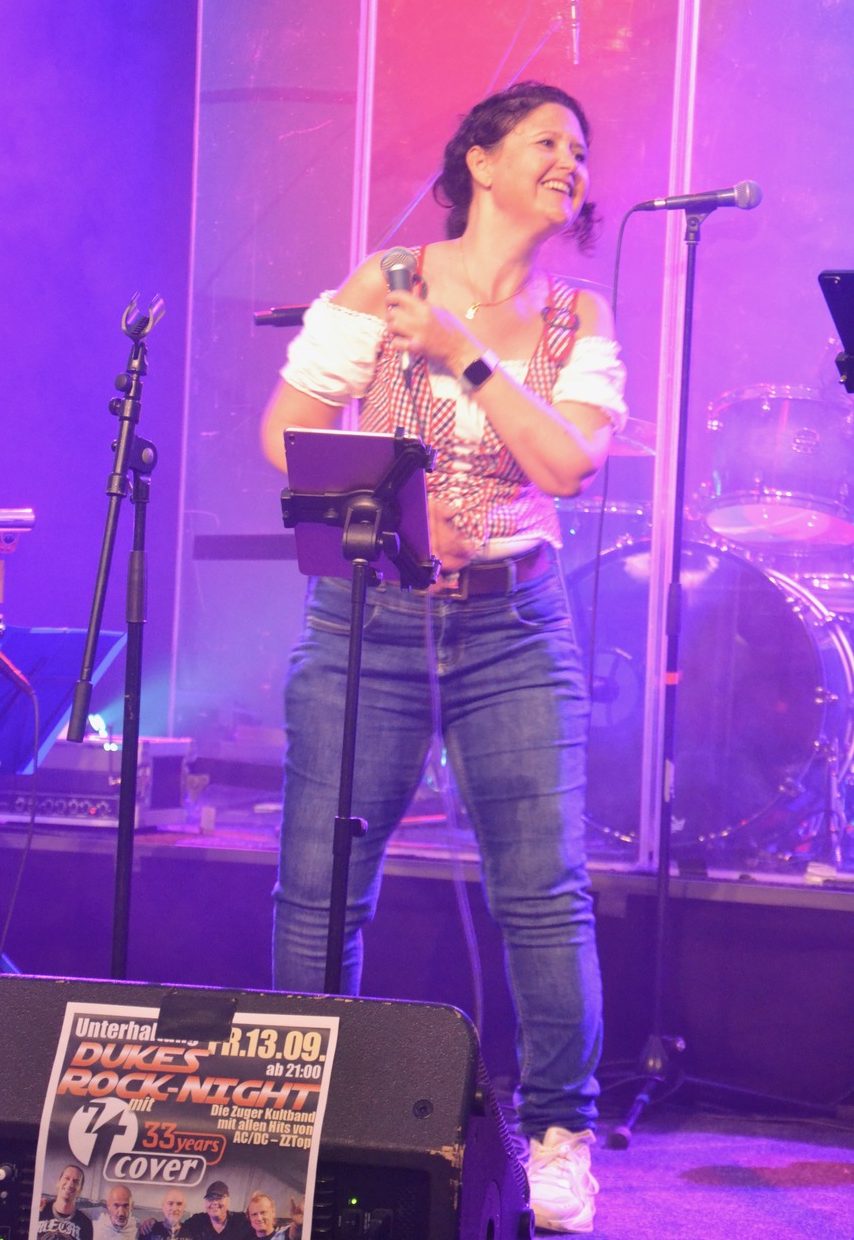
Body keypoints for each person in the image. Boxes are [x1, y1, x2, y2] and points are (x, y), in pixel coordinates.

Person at [260, 79, 627, 1235]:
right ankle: (307, 1119)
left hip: (515, 625)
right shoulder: (384, 282)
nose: (569, 162)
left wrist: (465, 352)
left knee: (545, 890)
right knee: (323, 887)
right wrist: (394, 507)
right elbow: (284, 433)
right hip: (368, 618)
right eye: (546, 141)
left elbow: (566, 466)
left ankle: (560, 1137)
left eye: (580, 150)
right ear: (481, 159)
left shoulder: (578, 316)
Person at [37, 1163, 94, 1240]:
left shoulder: (85, 1223)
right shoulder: (40, 1209)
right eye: (67, 1178)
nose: (70, 1184)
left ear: (80, 1190)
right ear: (58, 1182)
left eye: (76, 1181)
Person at [182, 1180, 250, 1239]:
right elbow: (178, 1231)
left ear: (228, 1200)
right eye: (210, 1198)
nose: (214, 1202)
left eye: (219, 1198)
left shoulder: (241, 1222)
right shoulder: (196, 1222)